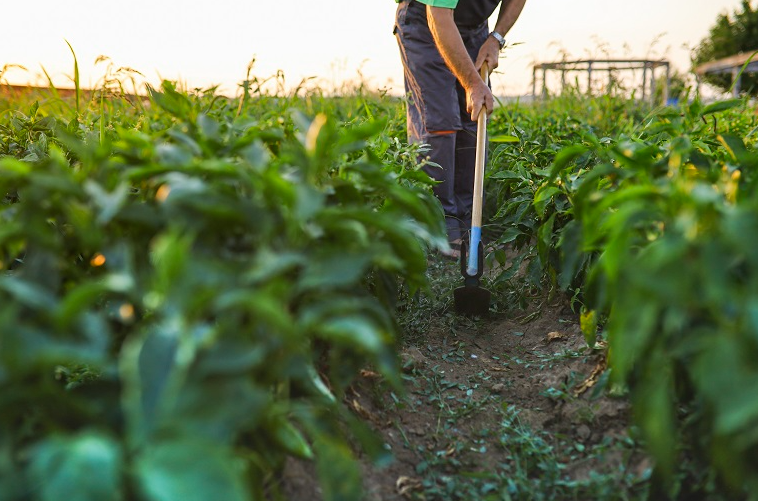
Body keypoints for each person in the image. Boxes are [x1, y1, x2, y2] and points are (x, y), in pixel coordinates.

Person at [394, 0, 527, 258]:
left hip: (474, 27)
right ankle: (440, 223)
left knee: (474, 118)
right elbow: (439, 17)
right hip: (426, 21)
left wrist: (496, 38)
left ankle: (467, 225)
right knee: (440, 121)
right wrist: (472, 83)